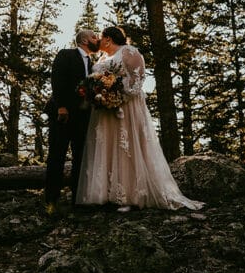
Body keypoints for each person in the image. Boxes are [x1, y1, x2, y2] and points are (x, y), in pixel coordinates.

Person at [75, 26, 203, 211]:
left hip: (127, 108)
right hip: (106, 112)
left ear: (108, 39)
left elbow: (138, 79)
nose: (98, 42)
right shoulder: (103, 58)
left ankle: (129, 196)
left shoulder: (128, 51)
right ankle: (106, 193)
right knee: (109, 147)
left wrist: (117, 97)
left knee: (126, 148)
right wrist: (101, 96)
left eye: (100, 38)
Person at [43, 29, 100, 215]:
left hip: (82, 118)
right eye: (94, 37)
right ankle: (51, 200)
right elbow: (57, 79)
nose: (97, 40)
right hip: (62, 115)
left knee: (81, 158)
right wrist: (61, 106)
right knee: (56, 156)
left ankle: (78, 199)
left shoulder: (93, 64)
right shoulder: (66, 54)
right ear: (84, 40)